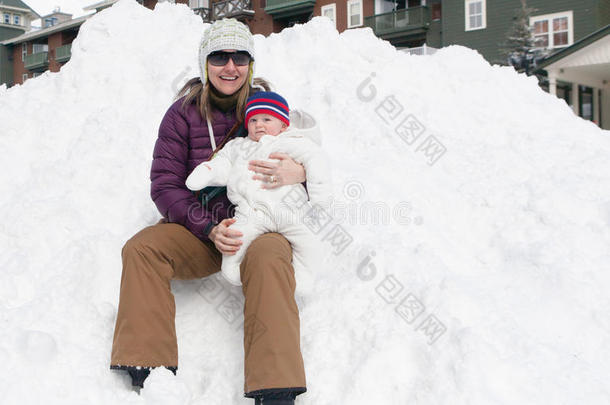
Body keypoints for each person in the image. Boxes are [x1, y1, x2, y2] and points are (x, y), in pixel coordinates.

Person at [109, 18, 309, 405]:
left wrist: (298, 172)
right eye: (219, 57)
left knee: (270, 258)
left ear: (251, 63)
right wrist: (208, 227)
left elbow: (309, 156)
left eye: (240, 57)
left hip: (261, 225)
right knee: (142, 249)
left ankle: (276, 388)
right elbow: (164, 185)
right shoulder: (181, 114)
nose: (230, 67)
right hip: (201, 230)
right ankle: (149, 370)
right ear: (205, 63)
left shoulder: (271, 109)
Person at [185, 90, 332, 290]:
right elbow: (223, 163)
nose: (258, 125)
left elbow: (316, 162)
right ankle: (234, 270)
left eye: (266, 119)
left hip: (289, 209)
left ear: (283, 125)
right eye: (253, 120)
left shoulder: (291, 142)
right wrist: (207, 171)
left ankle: (304, 278)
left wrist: (319, 203)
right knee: (235, 239)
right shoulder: (238, 146)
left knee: (309, 240)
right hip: (251, 212)